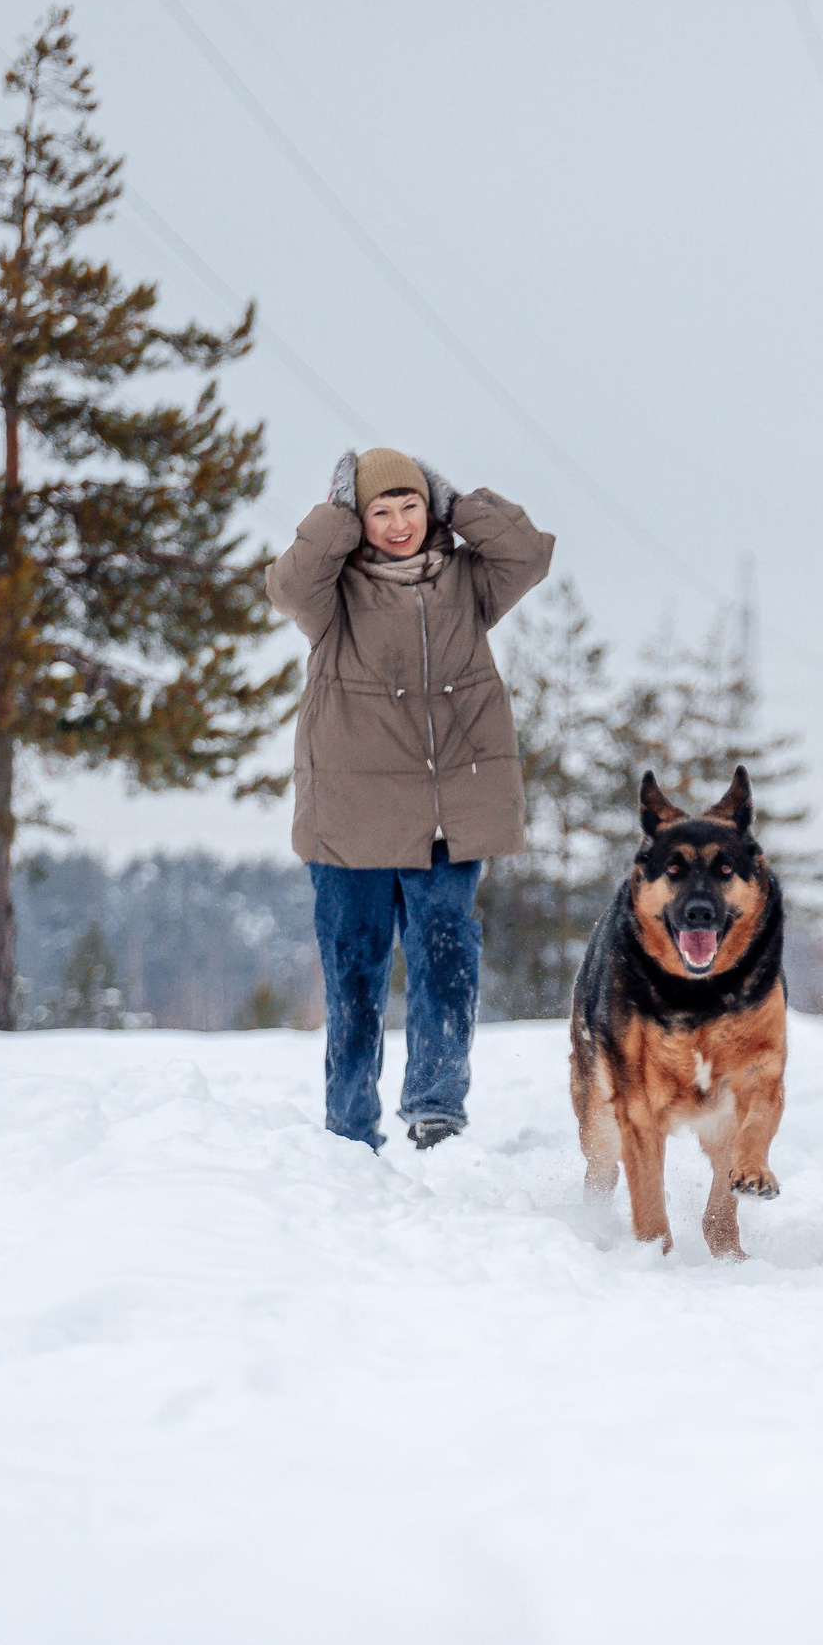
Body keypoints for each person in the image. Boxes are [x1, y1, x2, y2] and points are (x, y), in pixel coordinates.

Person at [265, 448, 555, 1150]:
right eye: (380, 511)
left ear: (432, 509)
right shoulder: (333, 593)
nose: (399, 525)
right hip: (351, 819)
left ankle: (436, 1109)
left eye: (412, 506)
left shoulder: (466, 582)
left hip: (442, 813)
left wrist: (461, 506)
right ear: (358, 520)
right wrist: (334, 517)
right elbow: (286, 584)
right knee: (354, 971)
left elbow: (529, 554)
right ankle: (349, 1125)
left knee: (445, 955)